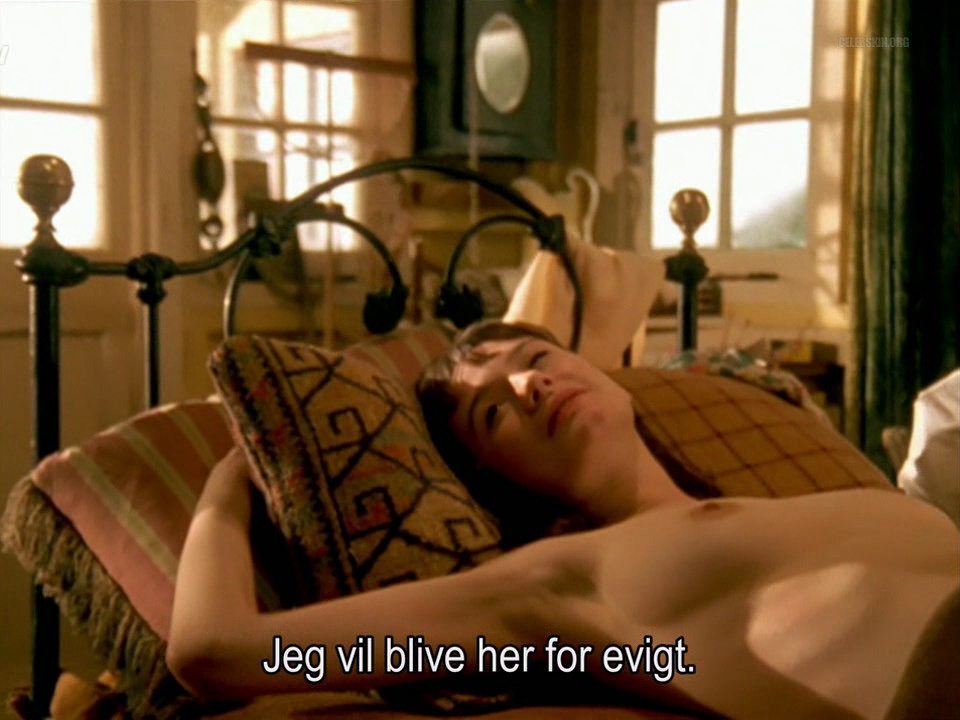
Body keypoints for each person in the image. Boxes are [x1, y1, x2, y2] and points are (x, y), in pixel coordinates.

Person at [168, 321, 959, 720]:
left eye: (536, 361)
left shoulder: (794, 503)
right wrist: (226, 488)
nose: (528, 389)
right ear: (495, 480)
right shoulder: (548, 587)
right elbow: (215, 653)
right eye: (491, 412)